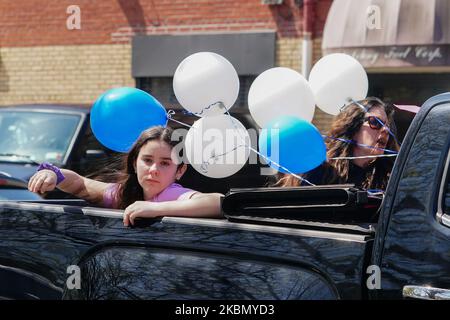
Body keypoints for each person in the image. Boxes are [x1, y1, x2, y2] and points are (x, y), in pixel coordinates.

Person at [28, 126, 223, 225]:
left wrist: (155, 209)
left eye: (165, 163)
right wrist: (54, 174)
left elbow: (218, 202)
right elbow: (80, 185)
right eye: (147, 160)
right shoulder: (122, 193)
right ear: (134, 163)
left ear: (180, 170)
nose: (154, 169)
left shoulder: (172, 194)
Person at [274, 97, 400, 190]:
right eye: (376, 122)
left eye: (388, 127)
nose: (385, 130)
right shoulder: (321, 170)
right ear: (353, 127)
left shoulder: (390, 176)